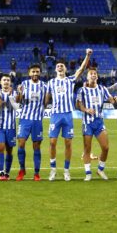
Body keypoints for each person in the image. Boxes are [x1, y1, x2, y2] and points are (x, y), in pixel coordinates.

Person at [46, 48, 92, 181]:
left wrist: (87, 56)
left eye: (62, 66)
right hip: (55, 115)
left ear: (65, 69)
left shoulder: (70, 80)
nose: (60, 67)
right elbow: (47, 97)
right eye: (58, 66)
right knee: (52, 142)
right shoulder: (51, 82)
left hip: (67, 115)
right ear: (55, 70)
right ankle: (53, 169)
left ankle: (66, 170)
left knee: (68, 143)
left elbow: (81, 69)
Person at [76, 69, 116, 181]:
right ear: (87, 77)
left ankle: (100, 169)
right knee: (87, 149)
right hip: (87, 123)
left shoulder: (102, 89)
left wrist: (115, 99)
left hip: (99, 122)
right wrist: (86, 110)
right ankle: (88, 173)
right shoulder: (82, 90)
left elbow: (111, 100)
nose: (93, 75)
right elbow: (78, 105)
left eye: (95, 74)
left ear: (97, 77)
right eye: (91, 74)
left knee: (106, 147)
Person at [15, 64, 47, 181]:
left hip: (37, 120)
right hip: (25, 119)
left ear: (40, 73)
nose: (35, 74)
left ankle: (36, 173)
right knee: (21, 144)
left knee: (36, 146)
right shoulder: (23, 85)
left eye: (37, 71)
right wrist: (19, 93)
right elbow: (17, 101)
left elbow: (46, 102)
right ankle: (22, 170)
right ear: (29, 73)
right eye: (33, 72)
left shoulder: (44, 86)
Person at [0, 74, 17, 181]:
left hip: (11, 126)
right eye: (4, 80)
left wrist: (11, 97)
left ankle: (7, 172)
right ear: (0, 82)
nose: (6, 82)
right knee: (1, 148)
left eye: (8, 80)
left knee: (9, 150)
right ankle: (1, 172)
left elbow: (16, 107)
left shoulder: (15, 93)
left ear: (10, 82)